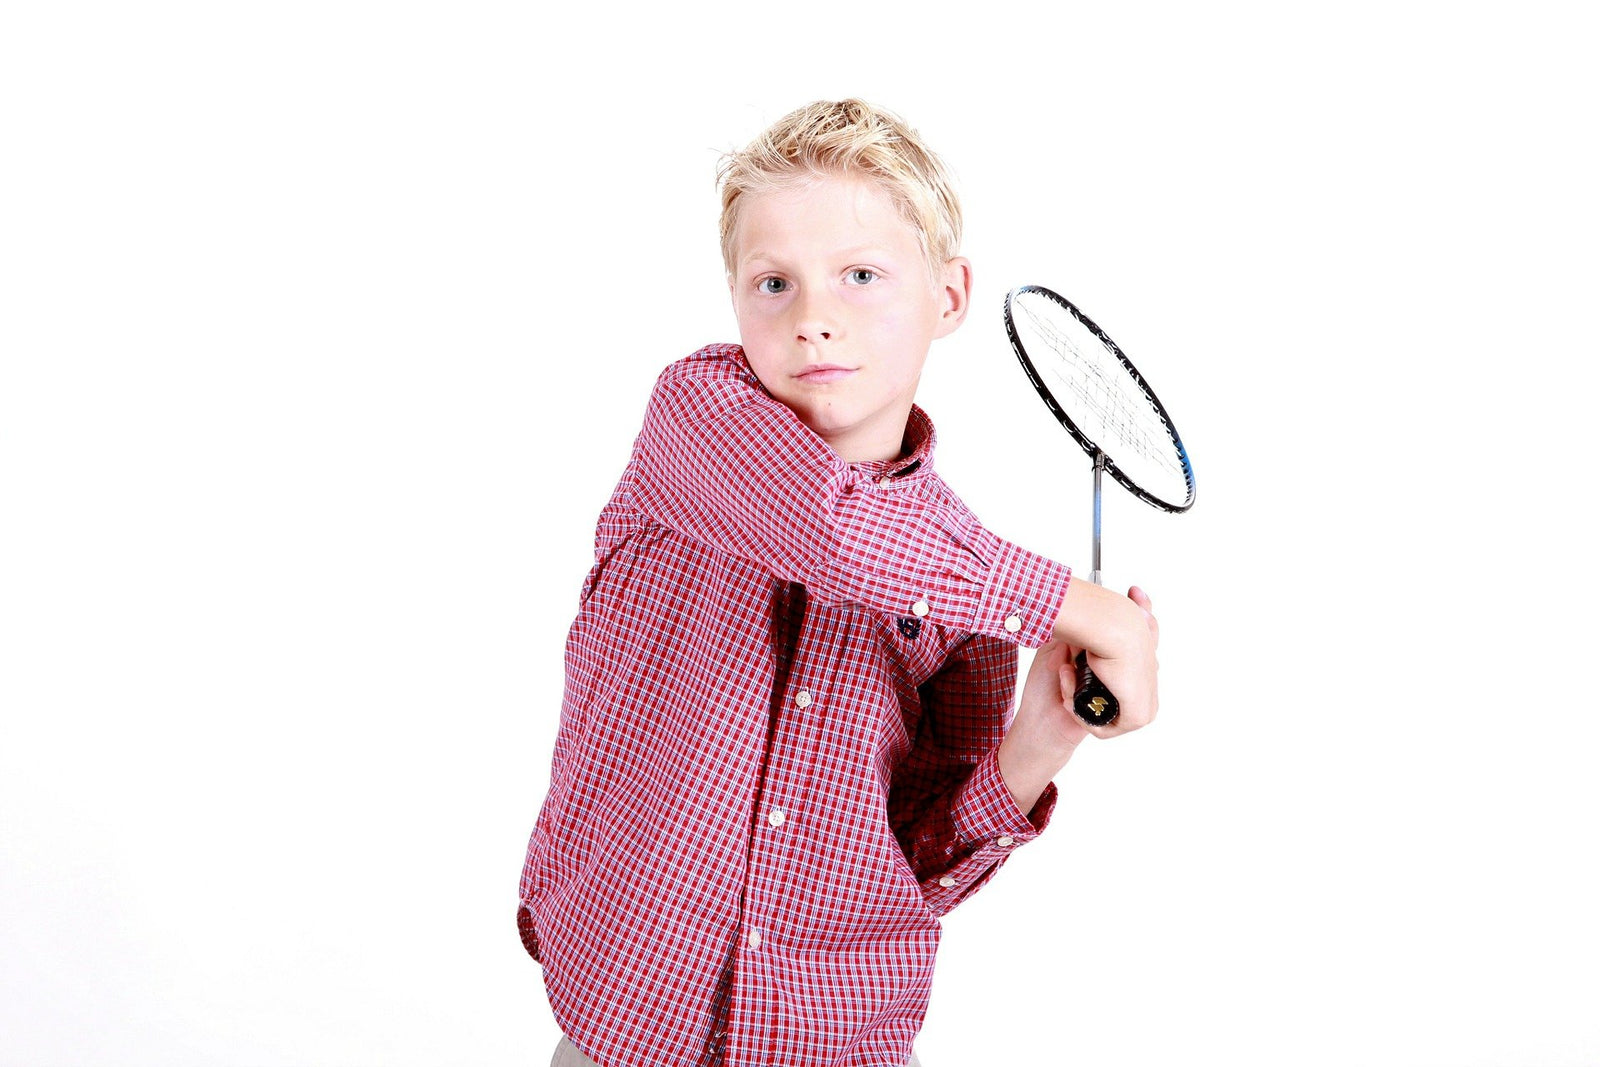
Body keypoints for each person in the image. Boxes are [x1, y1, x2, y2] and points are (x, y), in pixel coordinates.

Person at [517, 98, 1160, 1067]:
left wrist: (1044, 733)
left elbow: (921, 858)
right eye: (773, 282)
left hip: (833, 1036)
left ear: (947, 298)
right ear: (733, 299)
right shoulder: (694, 419)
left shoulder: (972, 585)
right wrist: (1088, 606)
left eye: (861, 276)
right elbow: (835, 531)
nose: (813, 318)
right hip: (623, 1023)